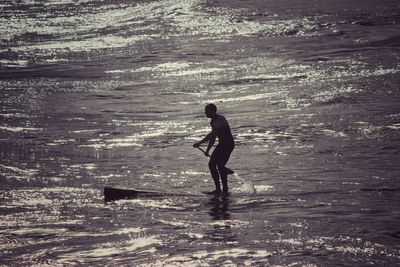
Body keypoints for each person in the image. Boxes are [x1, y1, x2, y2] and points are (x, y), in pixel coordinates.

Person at [193, 103, 235, 195]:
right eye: (205, 111)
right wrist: (208, 150)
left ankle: (222, 189)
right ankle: (221, 189)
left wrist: (199, 143)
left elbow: (212, 134)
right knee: (214, 165)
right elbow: (213, 137)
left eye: (207, 111)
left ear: (213, 111)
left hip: (228, 145)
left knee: (216, 165)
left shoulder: (220, 119)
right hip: (222, 144)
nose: (206, 113)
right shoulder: (212, 121)